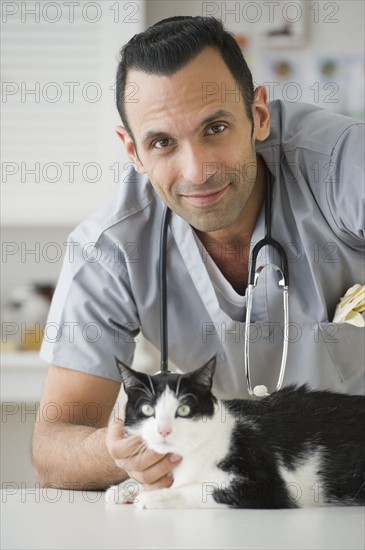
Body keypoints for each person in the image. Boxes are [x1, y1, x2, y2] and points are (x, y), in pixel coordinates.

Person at [32, 16, 365, 491]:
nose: (197, 170)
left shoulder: (344, 164)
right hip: (225, 496)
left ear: (260, 116)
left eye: (216, 127)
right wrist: (120, 453)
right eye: (162, 142)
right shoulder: (108, 248)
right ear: (132, 151)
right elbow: (52, 452)